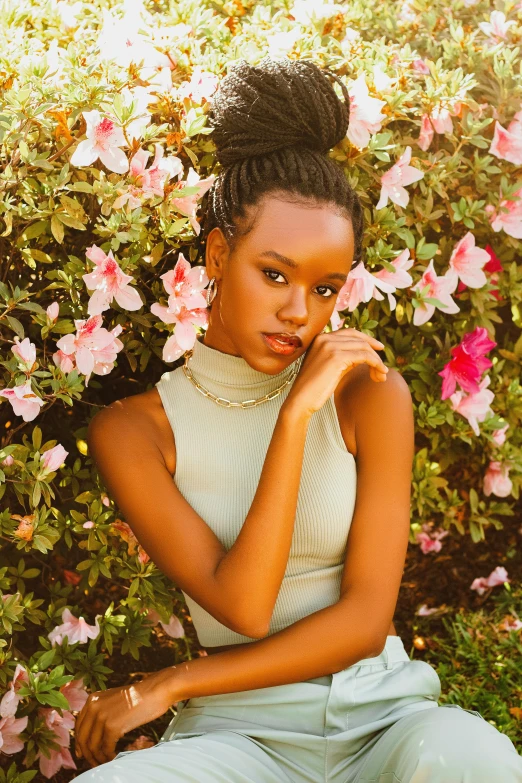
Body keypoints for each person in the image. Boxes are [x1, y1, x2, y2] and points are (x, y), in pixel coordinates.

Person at [74, 57, 522, 782]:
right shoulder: (136, 431)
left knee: (473, 758)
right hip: (238, 741)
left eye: (324, 288)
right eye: (274, 274)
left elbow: (365, 619)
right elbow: (244, 606)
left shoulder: (370, 395)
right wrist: (293, 419)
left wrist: (167, 684)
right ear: (219, 252)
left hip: (386, 724)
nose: (299, 313)